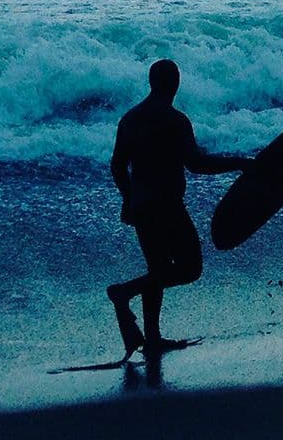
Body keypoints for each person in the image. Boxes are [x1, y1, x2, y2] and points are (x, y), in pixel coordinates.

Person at [106, 59, 252, 356]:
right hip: (167, 205)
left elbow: (118, 165)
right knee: (190, 268)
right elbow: (196, 164)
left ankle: (152, 338)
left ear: (151, 82)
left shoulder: (130, 119)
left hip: (142, 205)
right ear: (175, 84)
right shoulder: (176, 121)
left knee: (157, 270)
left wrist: (127, 198)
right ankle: (124, 292)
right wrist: (237, 163)